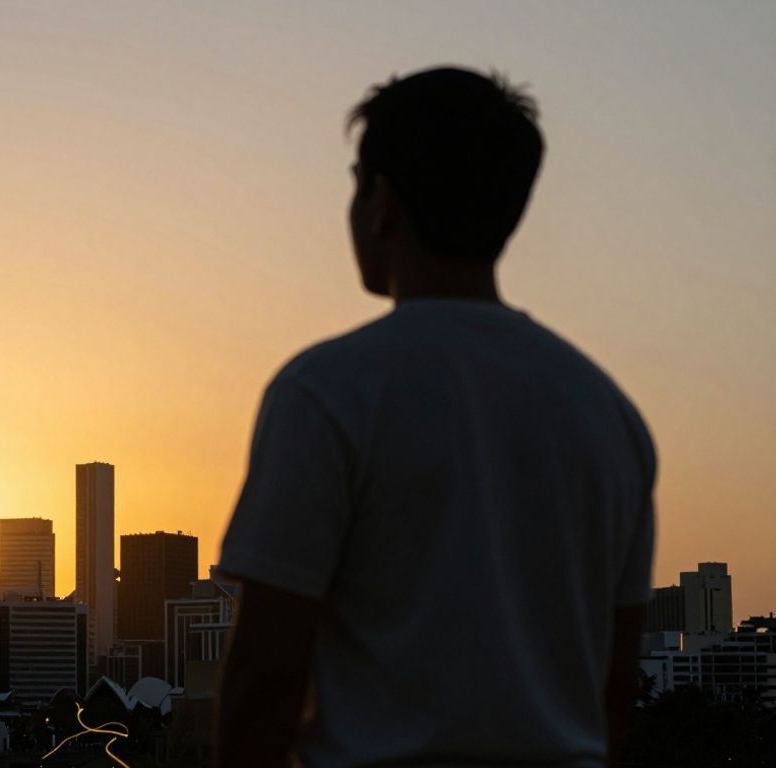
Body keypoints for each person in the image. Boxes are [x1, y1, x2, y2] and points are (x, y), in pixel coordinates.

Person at [216, 67, 654, 768]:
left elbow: (267, 675)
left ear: (382, 202)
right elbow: (615, 685)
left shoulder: (328, 392)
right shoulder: (610, 416)